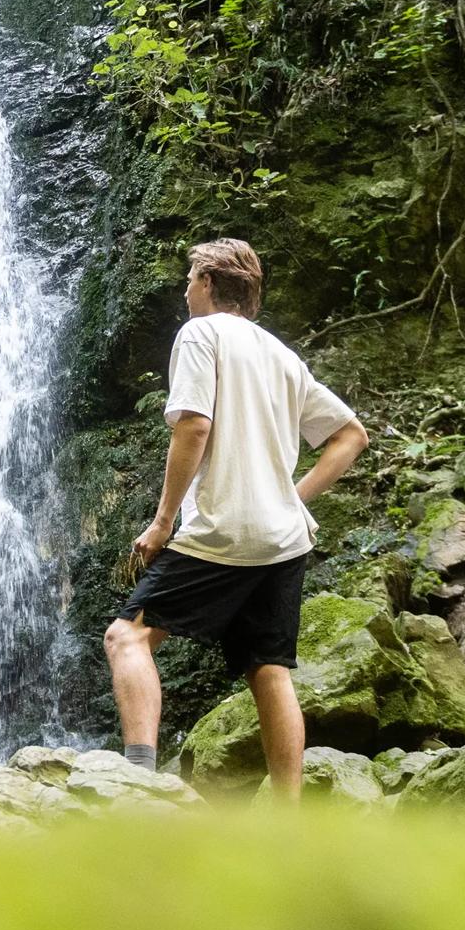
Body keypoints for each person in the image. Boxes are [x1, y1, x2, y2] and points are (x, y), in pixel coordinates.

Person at [104, 239, 368, 798]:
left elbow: (194, 426)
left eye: (189, 279)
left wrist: (162, 521)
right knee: (268, 668)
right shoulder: (282, 355)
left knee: (128, 637)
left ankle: (138, 784)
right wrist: (291, 498)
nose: (183, 290)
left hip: (223, 530)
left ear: (206, 284)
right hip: (283, 540)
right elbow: (351, 436)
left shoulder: (200, 333)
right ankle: (289, 816)